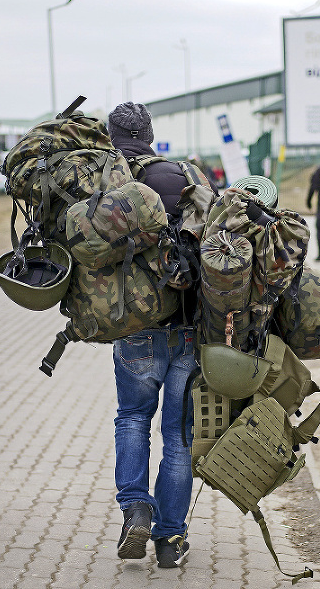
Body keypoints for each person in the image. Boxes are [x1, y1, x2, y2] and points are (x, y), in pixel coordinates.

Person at [107, 102, 199, 569]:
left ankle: (135, 507)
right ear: (149, 134)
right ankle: (169, 539)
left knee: (133, 418)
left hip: (134, 330)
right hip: (186, 328)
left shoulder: (103, 183)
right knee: (179, 435)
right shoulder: (179, 176)